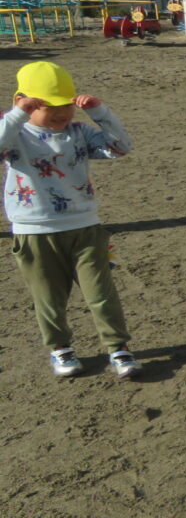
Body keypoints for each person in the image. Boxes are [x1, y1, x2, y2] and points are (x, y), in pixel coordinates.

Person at [3, 61, 142, 379]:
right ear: (23, 102)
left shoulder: (79, 132)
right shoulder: (14, 133)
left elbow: (122, 147)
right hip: (34, 231)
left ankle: (118, 347)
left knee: (102, 294)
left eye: (66, 105)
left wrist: (100, 113)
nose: (61, 113)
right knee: (48, 298)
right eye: (48, 106)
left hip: (85, 228)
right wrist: (16, 116)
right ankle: (60, 348)